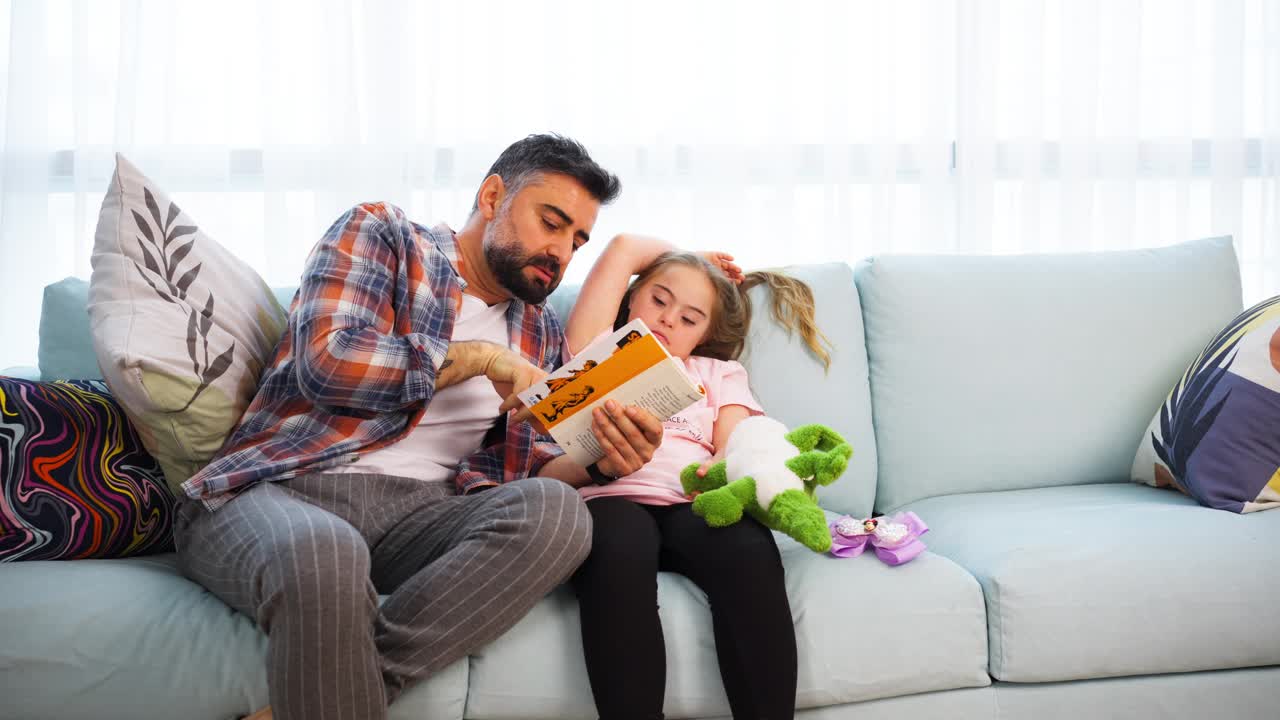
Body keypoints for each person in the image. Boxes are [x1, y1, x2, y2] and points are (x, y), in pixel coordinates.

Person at [174, 134, 667, 720]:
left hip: (420, 516)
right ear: (492, 198)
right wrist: (481, 360)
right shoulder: (384, 235)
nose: (561, 251)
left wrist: (602, 457)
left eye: (576, 240)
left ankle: (336, 691)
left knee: (559, 512)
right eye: (551, 222)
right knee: (324, 553)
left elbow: (526, 469)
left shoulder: (539, 331)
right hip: (282, 490)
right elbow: (329, 362)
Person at [552, 233, 831, 720]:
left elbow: (737, 439)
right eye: (659, 300)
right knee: (615, 549)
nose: (667, 319)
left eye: (689, 318)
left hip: (692, 499)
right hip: (613, 497)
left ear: (702, 335)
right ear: (630, 297)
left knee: (749, 550)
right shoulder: (595, 357)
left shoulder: (715, 372)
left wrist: (721, 464)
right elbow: (622, 248)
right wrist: (690, 258)